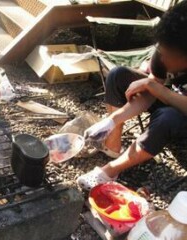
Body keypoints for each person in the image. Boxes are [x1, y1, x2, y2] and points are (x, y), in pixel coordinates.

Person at [77, 1, 187, 191]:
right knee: (118, 75)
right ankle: (113, 146)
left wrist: (153, 86)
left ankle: (111, 170)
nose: (162, 57)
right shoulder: (165, 49)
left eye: (169, 54)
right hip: (169, 99)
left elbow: (156, 90)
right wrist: (112, 120)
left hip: (180, 117)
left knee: (168, 117)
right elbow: (149, 94)